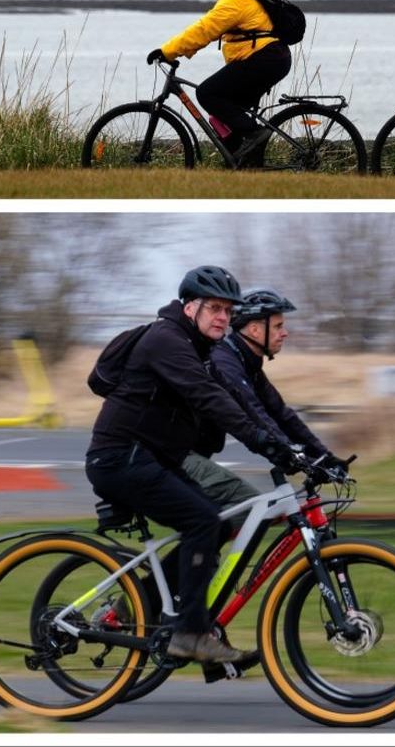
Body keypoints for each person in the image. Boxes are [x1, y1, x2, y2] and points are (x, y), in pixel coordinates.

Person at [83, 265, 297, 665]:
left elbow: (237, 401)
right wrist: (264, 443)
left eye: (228, 312)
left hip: (148, 459)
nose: (222, 318)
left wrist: (288, 447)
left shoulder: (198, 348)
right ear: (190, 307)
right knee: (204, 522)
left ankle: (145, 609)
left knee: (216, 524)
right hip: (118, 458)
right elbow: (206, 397)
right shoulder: (167, 341)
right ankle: (191, 633)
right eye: (214, 308)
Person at [182, 287, 345, 510]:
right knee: (248, 510)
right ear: (255, 329)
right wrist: (288, 455)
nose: (285, 333)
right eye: (278, 326)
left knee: (234, 517)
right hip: (177, 456)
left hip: (193, 456)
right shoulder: (225, 362)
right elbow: (253, 414)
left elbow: (281, 414)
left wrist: (324, 457)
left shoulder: (247, 364)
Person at [148, 0, 290, 168]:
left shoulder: (236, 0)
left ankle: (255, 134)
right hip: (269, 58)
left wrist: (167, 51)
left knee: (207, 93)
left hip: (265, 59)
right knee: (223, 111)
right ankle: (242, 162)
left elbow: (204, 30)